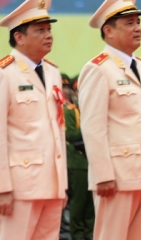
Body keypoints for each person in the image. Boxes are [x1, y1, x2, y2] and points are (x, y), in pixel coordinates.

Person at [78, 0, 141, 240]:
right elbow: (93, 127)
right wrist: (103, 174)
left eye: (138, 22)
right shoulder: (98, 69)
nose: (138, 28)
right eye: (129, 23)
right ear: (108, 30)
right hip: (118, 176)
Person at [0, 0, 67, 239]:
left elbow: (58, 129)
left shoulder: (52, 72)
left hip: (51, 183)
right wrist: (2, 188)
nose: (48, 35)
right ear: (19, 36)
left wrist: (62, 184)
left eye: (49, 29)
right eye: (40, 30)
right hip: (19, 186)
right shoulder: (5, 73)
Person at [63, 73, 95, 240]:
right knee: (79, 200)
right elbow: (69, 135)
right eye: (79, 90)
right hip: (78, 161)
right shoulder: (70, 111)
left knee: (92, 201)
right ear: (75, 93)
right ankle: (77, 233)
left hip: (93, 160)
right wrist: (89, 127)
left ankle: (90, 232)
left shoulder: (92, 110)